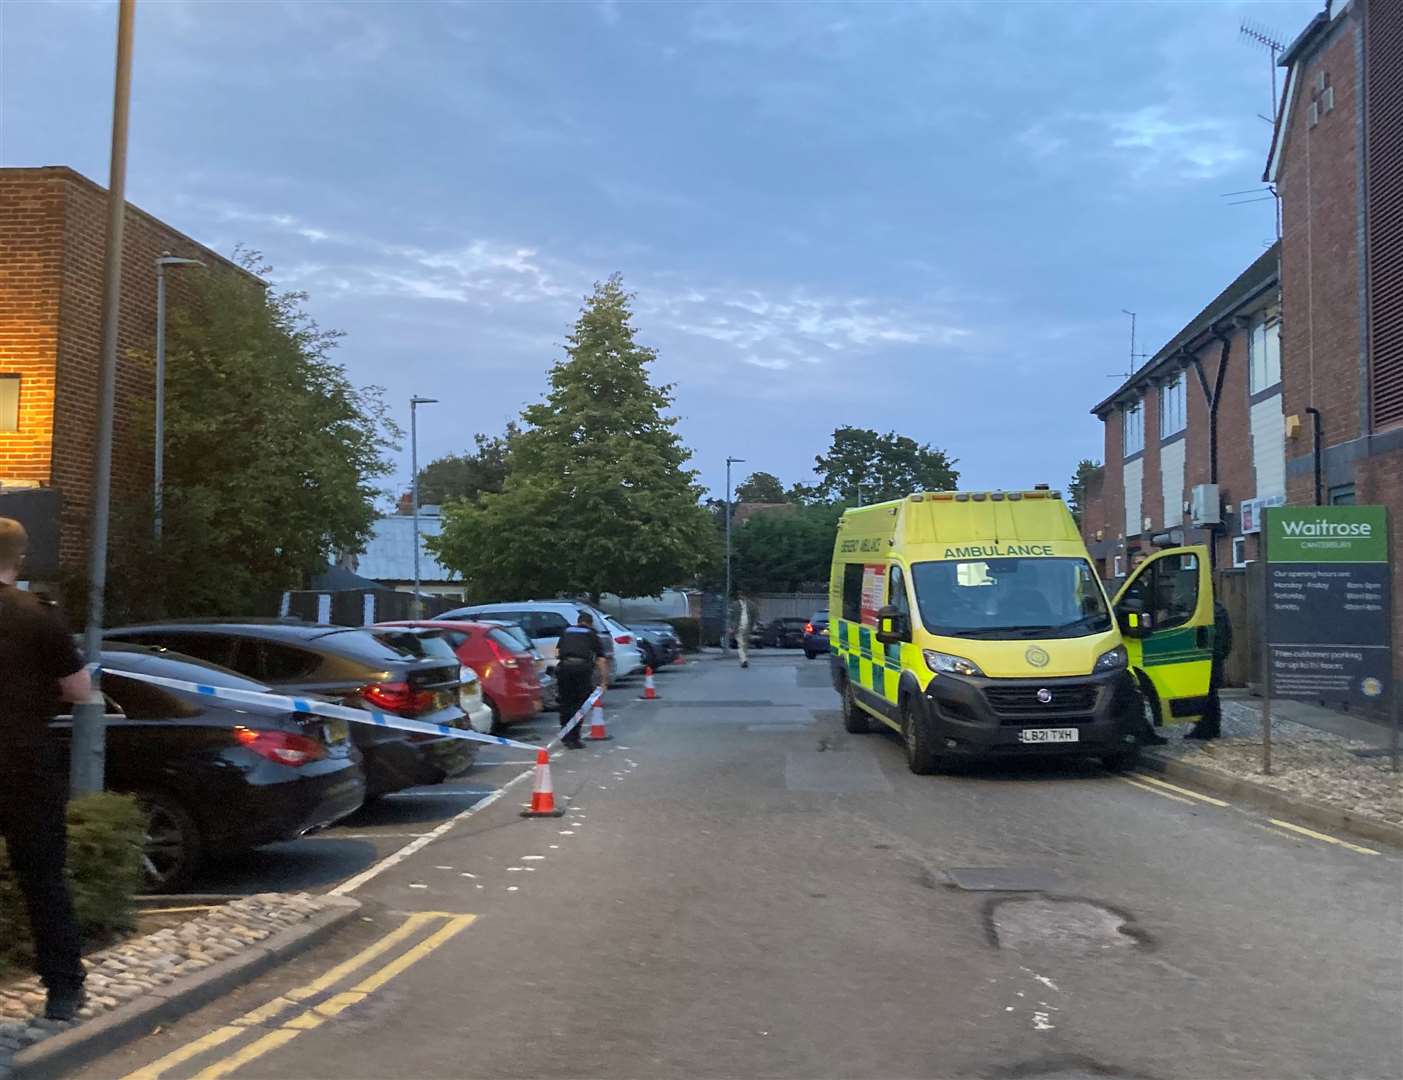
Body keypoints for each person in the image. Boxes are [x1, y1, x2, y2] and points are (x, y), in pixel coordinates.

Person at [0, 518, 90, 1021]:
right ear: (21, 558)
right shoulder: (40, 617)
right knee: (43, 880)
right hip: (25, 763)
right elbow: (78, 691)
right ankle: (62, 989)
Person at [554, 611, 608, 749]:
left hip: (564, 668)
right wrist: (604, 680)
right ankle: (574, 738)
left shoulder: (566, 631)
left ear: (578, 621)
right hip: (581, 670)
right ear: (590, 623)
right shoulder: (591, 633)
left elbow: (557, 652)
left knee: (565, 703)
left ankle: (565, 735)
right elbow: (601, 659)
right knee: (579, 704)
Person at [1187, 600, 1232, 741]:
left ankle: (1206, 729)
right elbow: (1227, 637)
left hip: (1208, 656)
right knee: (1211, 694)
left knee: (1207, 695)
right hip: (1215, 656)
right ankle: (1210, 728)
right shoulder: (1219, 609)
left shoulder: (1208, 611)